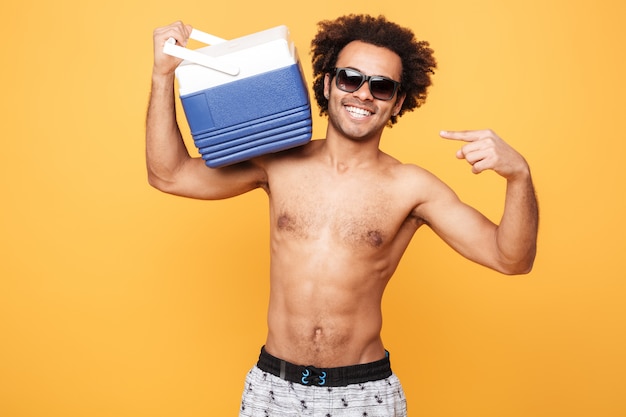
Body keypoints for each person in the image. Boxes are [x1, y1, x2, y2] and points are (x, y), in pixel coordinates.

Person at [146, 14, 538, 417]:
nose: (364, 95)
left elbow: (511, 259)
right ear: (328, 83)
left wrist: (518, 176)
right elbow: (168, 174)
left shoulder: (413, 188)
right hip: (273, 391)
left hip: (365, 395)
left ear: (398, 101)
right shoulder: (278, 163)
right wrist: (163, 77)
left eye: (382, 86)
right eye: (351, 78)